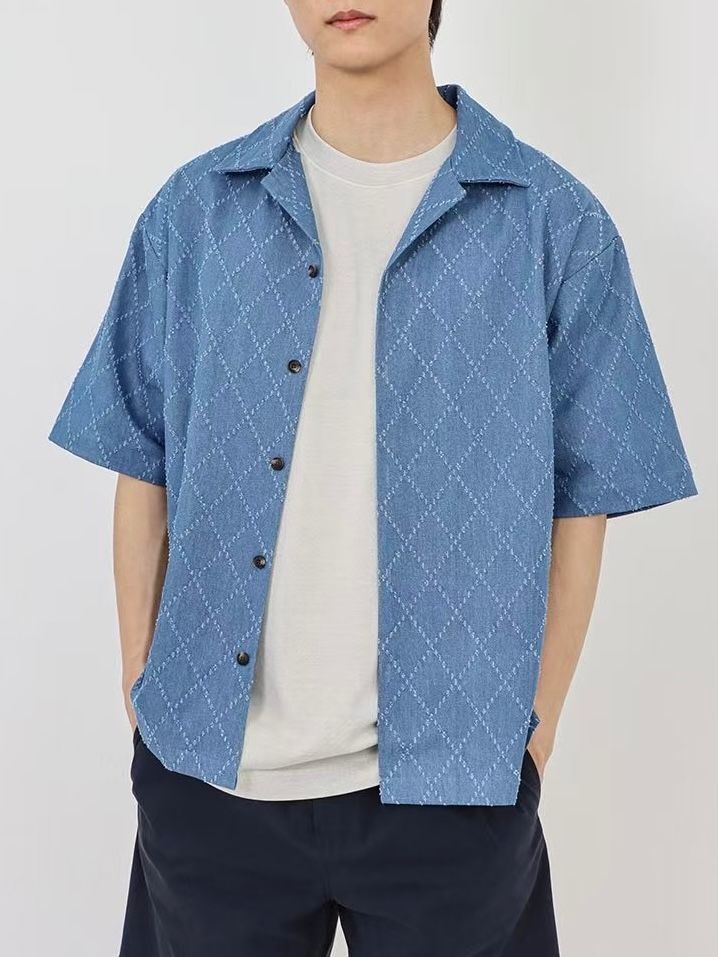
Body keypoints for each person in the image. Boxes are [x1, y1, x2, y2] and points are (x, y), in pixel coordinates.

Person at [47, 2, 698, 954]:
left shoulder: (554, 223)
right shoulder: (195, 212)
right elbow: (140, 455)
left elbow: (584, 495)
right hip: (210, 783)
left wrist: (534, 728)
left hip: (457, 789)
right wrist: (144, 685)